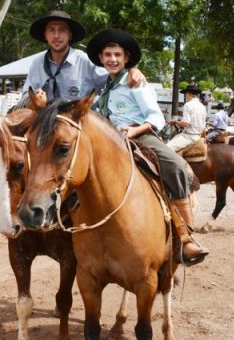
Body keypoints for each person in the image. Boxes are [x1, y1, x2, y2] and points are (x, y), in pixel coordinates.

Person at [86, 29, 208, 267]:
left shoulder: (135, 83)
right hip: (109, 140)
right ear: (101, 58)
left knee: (176, 166)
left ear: (126, 58)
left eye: (117, 55)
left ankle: (185, 236)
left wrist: (133, 130)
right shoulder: (104, 88)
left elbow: (156, 118)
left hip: (139, 136)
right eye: (108, 55)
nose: (112, 59)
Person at [22, 10, 145, 103]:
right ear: (45, 35)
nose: (56, 36)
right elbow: (24, 98)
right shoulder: (37, 63)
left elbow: (115, 80)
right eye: (51, 30)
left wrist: (132, 70)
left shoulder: (85, 61)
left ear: (70, 35)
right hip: (46, 125)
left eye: (62, 30)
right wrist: (33, 99)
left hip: (82, 128)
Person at [167, 83, 207, 152]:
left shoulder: (188, 105)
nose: (185, 96)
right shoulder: (203, 107)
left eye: (186, 94)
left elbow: (186, 123)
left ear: (189, 94)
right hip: (198, 136)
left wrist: (174, 122)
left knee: (166, 149)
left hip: (189, 137)